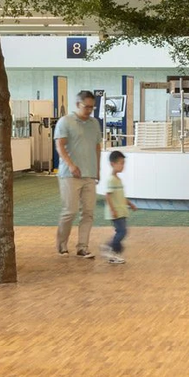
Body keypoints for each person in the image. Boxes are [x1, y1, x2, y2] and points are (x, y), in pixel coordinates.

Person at [55, 90, 103, 257]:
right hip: (70, 175)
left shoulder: (94, 123)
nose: (89, 110)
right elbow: (60, 146)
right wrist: (71, 165)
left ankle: (82, 247)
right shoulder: (65, 122)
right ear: (77, 104)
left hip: (89, 174)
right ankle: (61, 244)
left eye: (92, 107)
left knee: (89, 212)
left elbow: (97, 147)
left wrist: (98, 169)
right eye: (86, 106)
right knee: (71, 211)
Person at [102, 150, 132, 264]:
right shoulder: (111, 180)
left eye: (123, 163)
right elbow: (108, 196)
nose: (122, 165)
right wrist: (112, 210)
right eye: (120, 163)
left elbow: (121, 196)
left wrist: (130, 204)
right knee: (121, 232)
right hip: (116, 212)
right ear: (112, 164)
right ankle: (111, 249)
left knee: (121, 232)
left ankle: (113, 250)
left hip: (121, 211)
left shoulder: (118, 180)